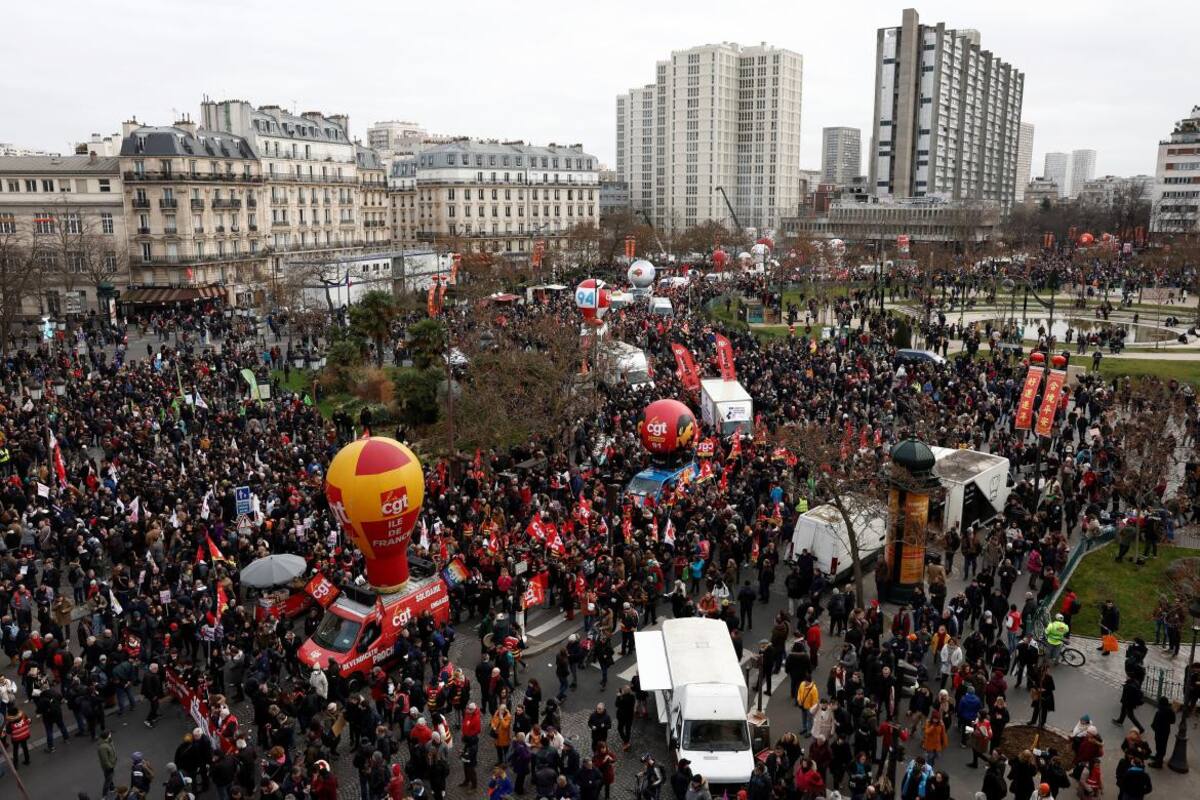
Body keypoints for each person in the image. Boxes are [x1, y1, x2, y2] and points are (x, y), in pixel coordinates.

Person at [1149, 696, 1176, 768]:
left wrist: (1154, 727)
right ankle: (1158, 757)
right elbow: (1173, 721)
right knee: (1163, 746)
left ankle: (1158, 763)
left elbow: (1154, 723)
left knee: (1159, 746)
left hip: (1159, 731)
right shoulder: (1170, 711)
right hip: (1166, 731)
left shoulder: (1159, 712)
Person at [98, 730, 118, 796]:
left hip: (111, 765)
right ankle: (104, 795)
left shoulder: (108, 741)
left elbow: (112, 749)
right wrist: (110, 766)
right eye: (109, 734)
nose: (110, 735)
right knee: (108, 780)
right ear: (107, 736)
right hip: (108, 767)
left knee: (109, 778)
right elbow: (105, 760)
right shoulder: (103, 747)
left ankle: (112, 788)